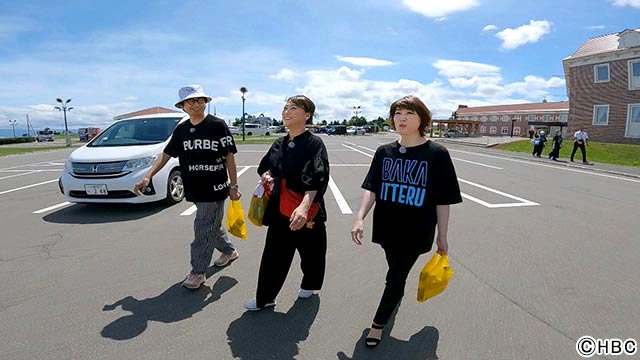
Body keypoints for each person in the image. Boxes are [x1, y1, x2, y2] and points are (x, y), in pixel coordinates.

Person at [351, 95, 462, 347]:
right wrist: (359, 218)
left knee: (395, 276)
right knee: (395, 272)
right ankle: (395, 292)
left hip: (417, 230)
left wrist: (442, 236)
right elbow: (372, 188)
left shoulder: (437, 154)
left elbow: (443, 199)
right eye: (398, 113)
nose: (402, 118)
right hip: (387, 227)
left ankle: (378, 324)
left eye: (409, 113)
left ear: (422, 118)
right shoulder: (384, 152)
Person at [134, 84, 241, 289]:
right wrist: (148, 176)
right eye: (190, 101)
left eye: (200, 100)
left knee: (202, 228)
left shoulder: (217, 125)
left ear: (205, 103)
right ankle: (228, 251)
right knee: (211, 225)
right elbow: (165, 155)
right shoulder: (181, 130)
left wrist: (234, 185)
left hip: (215, 187)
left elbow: (229, 156)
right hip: (194, 187)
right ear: (182, 106)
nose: (196, 104)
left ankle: (198, 272)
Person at [244, 95, 330, 311]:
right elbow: (266, 166)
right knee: (273, 256)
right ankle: (265, 298)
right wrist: (267, 175)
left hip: (306, 210)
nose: (286, 112)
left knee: (313, 254)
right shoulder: (278, 143)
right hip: (279, 210)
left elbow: (318, 177)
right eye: (285, 108)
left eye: (293, 108)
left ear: (307, 114)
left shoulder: (314, 143)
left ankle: (310, 284)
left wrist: (303, 207)